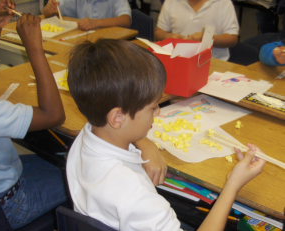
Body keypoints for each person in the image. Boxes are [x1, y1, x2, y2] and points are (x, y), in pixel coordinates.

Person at [66, 38, 267, 230]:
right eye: (153, 107)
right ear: (118, 117)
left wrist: (144, 142)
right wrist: (233, 184)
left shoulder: (87, 135)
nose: (158, 112)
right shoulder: (136, 196)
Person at [0, 1, 68, 229]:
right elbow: (53, 115)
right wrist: (34, 46)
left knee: (63, 163)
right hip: (9, 203)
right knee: (83, 176)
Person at [154, 0, 239, 61]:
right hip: (178, 59)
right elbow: (159, 32)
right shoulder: (171, 2)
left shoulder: (224, 3)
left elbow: (232, 38)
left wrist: (205, 38)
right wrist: (171, 37)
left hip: (213, 62)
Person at [43, 0, 131, 31]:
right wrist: (49, 9)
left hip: (109, 45)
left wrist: (97, 22)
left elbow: (126, 20)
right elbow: (52, 12)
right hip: (83, 42)